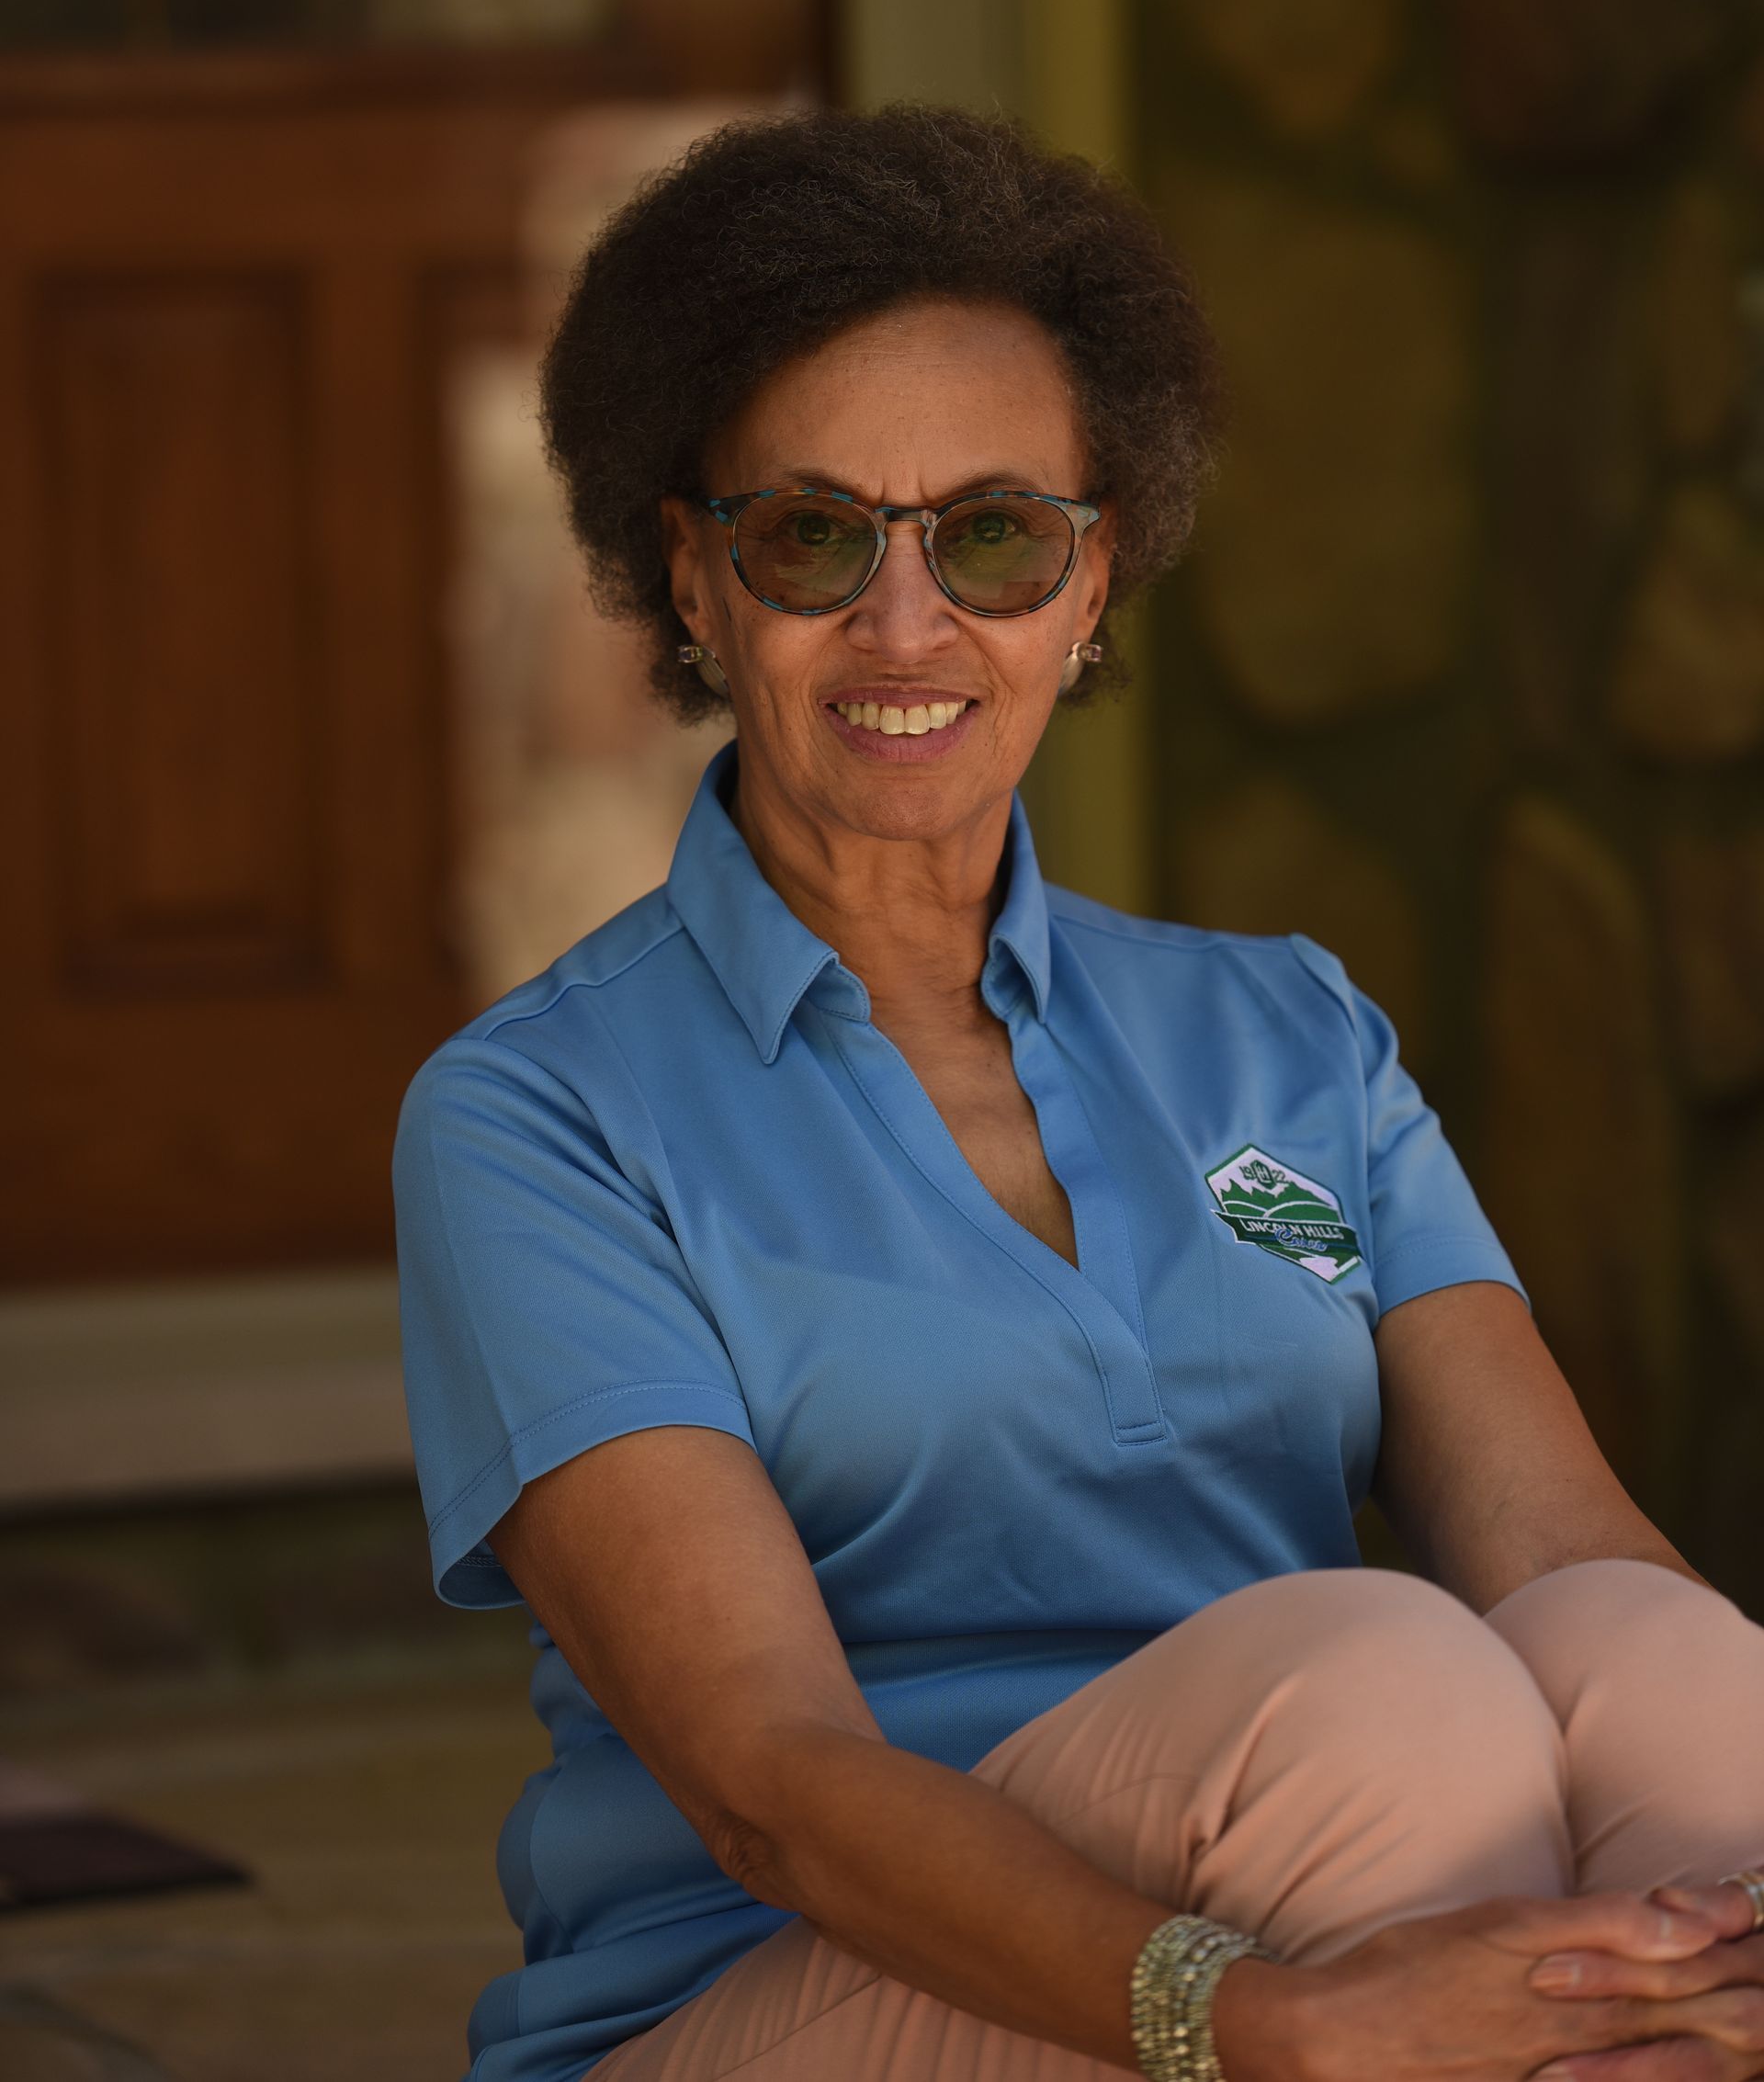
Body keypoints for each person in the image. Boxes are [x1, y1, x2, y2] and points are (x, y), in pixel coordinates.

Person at [393, 107, 1764, 2082]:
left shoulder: (1287, 1040)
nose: (905, 622)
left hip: (1328, 1875)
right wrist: (1264, 2020)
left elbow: (1567, 1553)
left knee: (1664, 1669)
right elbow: (769, 1779)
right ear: (690, 579)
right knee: (1390, 1686)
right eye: (810, 535)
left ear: (1094, 577)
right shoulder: (540, 1119)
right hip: (788, 1994)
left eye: (994, 533)